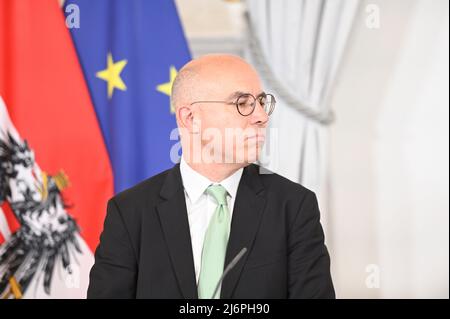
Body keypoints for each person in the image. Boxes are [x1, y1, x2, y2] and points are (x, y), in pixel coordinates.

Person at [87, 54, 335, 299]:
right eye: (242, 102)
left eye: (261, 102)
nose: (261, 116)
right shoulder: (130, 212)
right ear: (190, 118)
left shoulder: (294, 207)